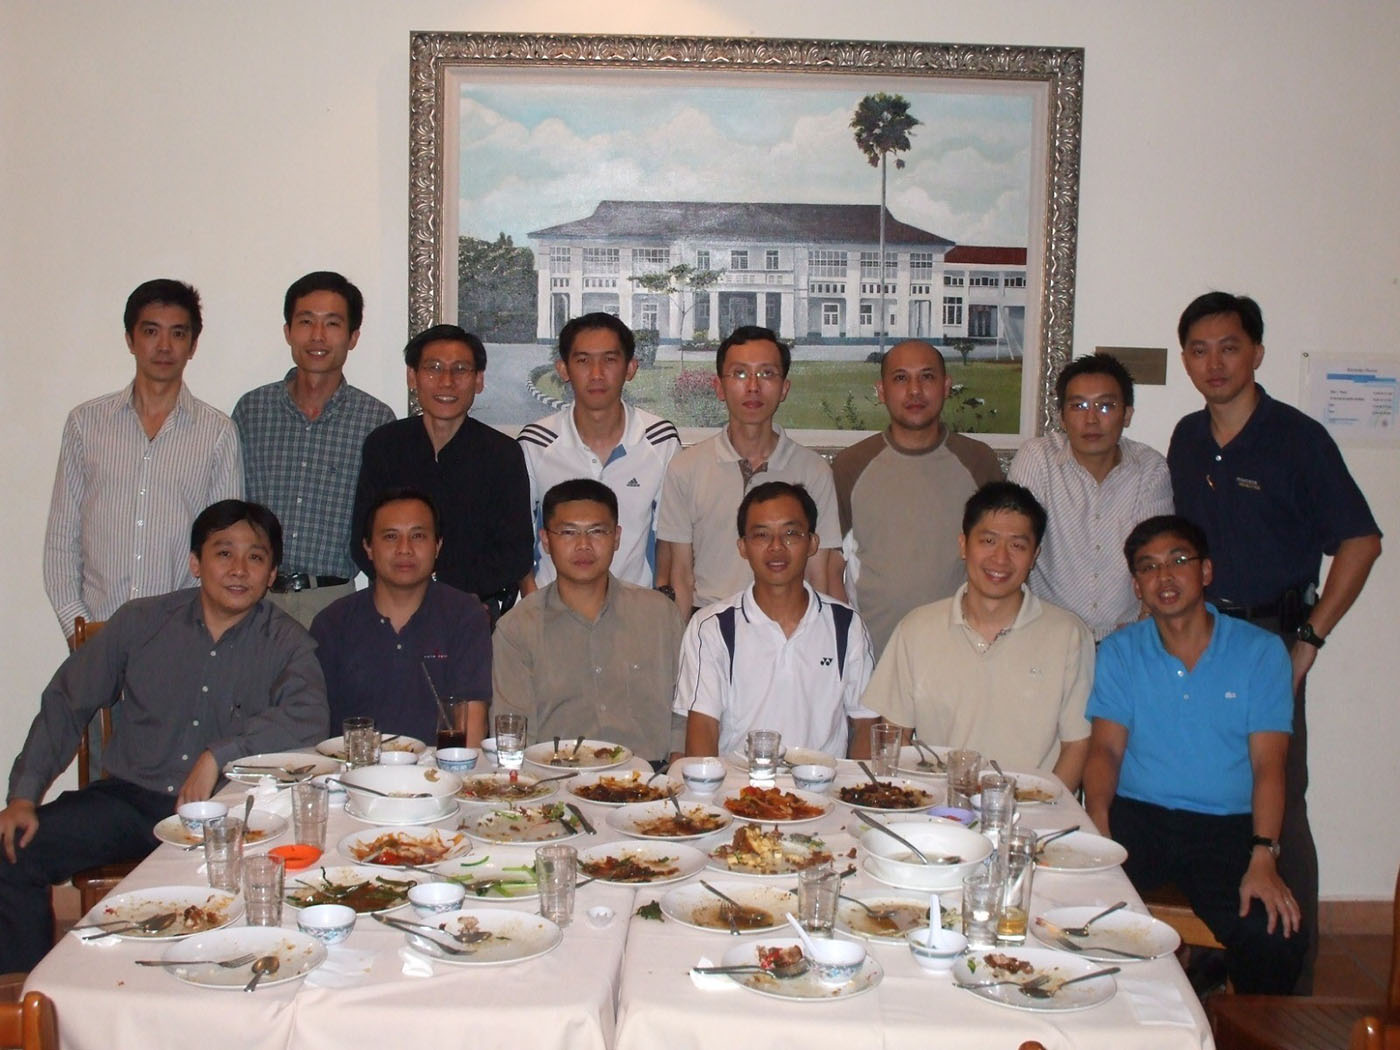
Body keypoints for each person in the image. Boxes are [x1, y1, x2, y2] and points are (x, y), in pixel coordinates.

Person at [2, 500, 328, 973]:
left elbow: (310, 716)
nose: (239, 570)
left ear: (272, 572)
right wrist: (23, 795)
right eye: (223, 553)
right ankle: (23, 1008)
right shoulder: (140, 622)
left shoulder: (288, 641)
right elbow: (67, 699)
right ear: (195, 562)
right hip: (129, 803)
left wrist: (219, 754)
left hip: (229, 816)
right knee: (13, 849)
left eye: (255, 557)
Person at [1168, 291, 1381, 989]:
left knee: (1277, 801)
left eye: (1229, 347)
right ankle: (1209, 954)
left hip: (1268, 638)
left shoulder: (1297, 438)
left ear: (1256, 352)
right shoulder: (1188, 439)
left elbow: (1360, 541)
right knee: (1200, 792)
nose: (1214, 363)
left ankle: (1287, 976)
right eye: (1198, 350)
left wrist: (1308, 642)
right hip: (1197, 635)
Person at [1083, 514, 1306, 994]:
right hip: (1138, 818)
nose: (1164, 577)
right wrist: (1097, 825)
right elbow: (1104, 750)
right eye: (1148, 567)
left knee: (1273, 935)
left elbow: (1270, 766)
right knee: (1080, 920)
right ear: (1137, 586)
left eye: (1178, 561)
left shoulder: (1261, 653)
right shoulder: (1120, 652)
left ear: (1206, 571)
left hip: (1226, 827)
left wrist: (1264, 854)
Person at [43, 278, 243, 642]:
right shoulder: (85, 425)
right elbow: (62, 538)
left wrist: (193, 632)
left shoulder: (217, 434)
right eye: (151, 331)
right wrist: (80, 629)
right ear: (130, 339)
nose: (164, 346)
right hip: (95, 631)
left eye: (178, 334)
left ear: (193, 345)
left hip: (179, 638)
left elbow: (222, 548)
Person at [860, 481, 1093, 789]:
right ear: (963, 545)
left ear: (1034, 555)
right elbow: (895, 735)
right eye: (988, 540)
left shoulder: (1069, 635)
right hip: (937, 814)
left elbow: (1077, 745)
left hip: (1031, 818)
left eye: (1017, 546)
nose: (1000, 558)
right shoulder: (916, 629)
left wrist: (1048, 811)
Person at [233, 271, 395, 627]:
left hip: (333, 601)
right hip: (256, 599)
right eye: (306, 322)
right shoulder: (252, 410)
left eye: (332, 324)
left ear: (352, 337)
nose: (318, 336)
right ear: (288, 331)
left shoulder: (376, 419)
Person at [675, 481, 876, 759]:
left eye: (791, 533)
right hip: (739, 794)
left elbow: (866, 722)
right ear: (743, 547)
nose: (776, 547)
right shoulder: (713, 628)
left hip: (822, 790)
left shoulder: (846, 625)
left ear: (812, 543)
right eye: (761, 536)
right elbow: (703, 726)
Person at [494, 479, 685, 765]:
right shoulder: (516, 629)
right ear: (545, 541)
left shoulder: (661, 615)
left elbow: (683, 717)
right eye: (569, 532)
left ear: (617, 537)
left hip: (651, 785)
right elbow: (515, 733)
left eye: (597, 531)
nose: (583, 545)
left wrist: (676, 773)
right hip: (556, 784)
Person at [657, 326, 843, 616]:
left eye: (767, 374)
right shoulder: (685, 468)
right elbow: (680, 576)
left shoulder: (814, 471)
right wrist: (681, 649)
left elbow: (820, 575)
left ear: (784, 388)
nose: (753, 386)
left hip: (788, 627)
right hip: (709, 624)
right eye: (740, 374)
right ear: (719, 387)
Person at [832, 339, 1003, 656]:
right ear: (881, 391)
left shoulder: (979, 462)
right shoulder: (851, 465)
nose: (914, 390)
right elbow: (830, 566)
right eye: (900, 378)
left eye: (927, 377)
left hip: (959, 655)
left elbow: (1001, 562)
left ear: (946, 386)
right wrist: (843, 645)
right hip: (871, 653)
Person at [352, 324, 533, 622]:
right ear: (413, 377)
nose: (446, 382)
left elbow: (515, 552)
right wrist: (407, 590)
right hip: (393, 608)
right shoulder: (384, 445)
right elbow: (363, 539)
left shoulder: (502, 454)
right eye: (433, 368)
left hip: (474, 611)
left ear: (478, 381)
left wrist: (450, 594)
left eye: (460, 370)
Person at [1009, 352, 1173, 640]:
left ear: (1128, 414)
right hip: (1047, 637)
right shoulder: (1038, 459)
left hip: (1125, 638)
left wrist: (1144, 626)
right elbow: (1012, 544)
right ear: (1061, 416)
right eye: (1079, 406)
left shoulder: (1150, 468)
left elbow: (1157, 557)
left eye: (1106, 406)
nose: (1092, 419)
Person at [311, 488, 490, 746]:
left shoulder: (464, 616)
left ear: (437, 546)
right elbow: (316, 724)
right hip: (354, 776)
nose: (404, 549)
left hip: (439, 777)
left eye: (417, 536)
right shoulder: (332, 623)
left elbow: (472, 725)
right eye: (390, 537)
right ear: (368, 548)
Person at [518, 313, 679, 592]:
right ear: (563, 369)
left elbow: (668, 536)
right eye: (583, 361)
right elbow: (519, 535)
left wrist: (658, 605)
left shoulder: (660, 440)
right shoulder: (535, 443)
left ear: (630, 368)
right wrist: (534, 607)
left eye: (609, 360)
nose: (596, 373)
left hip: (633, 611)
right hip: (551, 611)